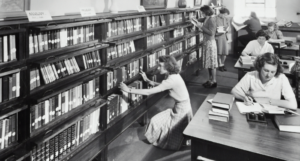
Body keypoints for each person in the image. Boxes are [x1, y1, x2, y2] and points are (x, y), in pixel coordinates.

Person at [119, 55, 193, 150]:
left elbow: (149, 91)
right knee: (156, 122)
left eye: (160, 66)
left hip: (182, 110)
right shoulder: (172, 75)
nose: (158, 68)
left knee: (173, 138)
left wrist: (128, 90)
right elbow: (164, 85)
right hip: (181, 107)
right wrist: (149, 81)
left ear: (167, 67)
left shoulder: (171, 80)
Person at [231, 52, 297, 110]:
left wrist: (268, 101)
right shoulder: (251, 76)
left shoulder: (281, 78)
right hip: (253, 111)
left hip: (273, 114)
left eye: (273, 72)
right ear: (259, 67)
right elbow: (234, 91)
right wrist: (244, 98)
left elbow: (293, 105)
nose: (269, 75)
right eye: (266, 70)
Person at [192, 5, 218, 88]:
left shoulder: (212, 19)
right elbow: (202, 20)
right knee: (209, 64)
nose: (201, 14)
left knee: (212, 64)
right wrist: (195, 20)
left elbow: (211, 33)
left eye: (202, 12)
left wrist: (201, 26)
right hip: (207, 42)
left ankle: (214, 81)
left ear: (206, 12)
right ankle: (210, 80)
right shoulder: (207, 18)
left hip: (210, 43)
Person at [215, 7, 230, 72]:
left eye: (226, 15)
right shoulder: (215, 18)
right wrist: (218, 31)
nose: (226, 16)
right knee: (219, 52)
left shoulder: (226, 18)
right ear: (221, 13)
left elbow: (228, 26)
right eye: (225, 14)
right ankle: (220, 65)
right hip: (218, 37)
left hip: (224, 36)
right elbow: (213, 28)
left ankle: (222, 64)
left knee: (225, 52)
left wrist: (227, 29)